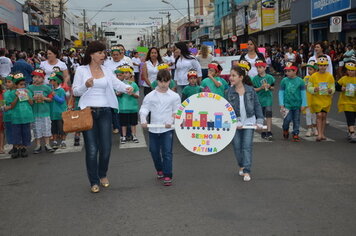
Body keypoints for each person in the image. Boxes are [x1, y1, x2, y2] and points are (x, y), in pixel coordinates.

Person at [72, 41, 133, 193]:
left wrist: (127, 88)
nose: (103, 55)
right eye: (100, 52)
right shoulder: (81, 70)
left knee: (106, 148)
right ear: (91, 54)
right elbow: (75, 92)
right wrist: (85, 85)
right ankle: (93, 180)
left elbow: (117, 84)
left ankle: (102, 174)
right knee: (92, 149)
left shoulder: (106, 70)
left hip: (105, 111)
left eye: (103, 53)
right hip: (88, 112)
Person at [139, 69, 181, 186]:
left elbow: (177, 111)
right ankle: (160, 169)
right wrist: (143, 118)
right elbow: (144, 108)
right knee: (154, 151)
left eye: (166, 82)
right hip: (153, 129)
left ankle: (168, 175)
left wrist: (171, 120)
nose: (163, 84)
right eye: (161, 81)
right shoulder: (150, 95)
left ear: (170, 81)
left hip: (167, 129)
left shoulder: (174, 96)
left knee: (167, 152)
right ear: (157, 81)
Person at [227, 66, 264, 182]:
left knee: (246, 146)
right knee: (237, 146)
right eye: (230, 75)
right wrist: (232, 122)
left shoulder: (250, 90)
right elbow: (225, 109)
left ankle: (247, 170)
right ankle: (242, 165)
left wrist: (259, 120)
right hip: (235, 123)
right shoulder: (228, 92)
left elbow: (257, 105)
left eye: (234, 75)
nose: (231, 78)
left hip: (249, 122)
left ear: (241, 77)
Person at [307, 55, 335, 142]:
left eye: (324, 65)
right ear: (318, 66)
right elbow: (309, 87)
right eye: (320, 65)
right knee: (319, 115)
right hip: (316, 99)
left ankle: (322, 133)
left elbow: (332, 87)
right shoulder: (314, 76)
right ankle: (319, 134)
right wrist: (314, 89)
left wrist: (331, 90)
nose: (322, 67)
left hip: (326, 99)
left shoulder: (329, 76)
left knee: (324, 115)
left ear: (327, 66)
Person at [28, 69, 55, 154]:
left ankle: (47, 144)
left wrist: (44, 98)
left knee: (46, 128)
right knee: (36, 129)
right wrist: (32, 98)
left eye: (39, 77)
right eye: (35, 77)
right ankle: (38, 145)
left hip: (45, 112)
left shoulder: (46, 87)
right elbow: (28, 99)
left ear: (43, 79)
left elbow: (51, 99)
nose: (36, 79)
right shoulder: (29, 88)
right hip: (35, 112)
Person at [279, 62, 307, 142]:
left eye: (289, 71)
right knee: (287, 119)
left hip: (297, 104)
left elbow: (303, 93)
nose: (287, 73)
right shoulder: (284, 80)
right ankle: (285, 128)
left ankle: (295, 133)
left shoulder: (300, 81)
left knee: (296, 119)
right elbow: (281, 92)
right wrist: (281, 104)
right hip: (287, 104)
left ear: (295, 71)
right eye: (286, 71)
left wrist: (304, 104)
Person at [8, 73, 34, 158]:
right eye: (20, 85)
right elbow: (11, 106)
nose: (22, 86)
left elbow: (31, 103)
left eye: (24, 84)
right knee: (16, 133)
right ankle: (16, 147)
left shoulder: (28, 91)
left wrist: (27, 96)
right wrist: (16, 97)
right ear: (15, 85)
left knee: (26, 132)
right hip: (16, 116)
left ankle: (24, 148)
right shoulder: (12, 93)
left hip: (26, 116)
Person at [252, 60, 275, 140]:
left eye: (260, 67)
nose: (258, 69)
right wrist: (260, 88)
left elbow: (273, 88)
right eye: (257, 67)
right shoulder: (255, 78)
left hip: (268, 99)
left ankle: (269, 131)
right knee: (260, 116)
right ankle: (263, 131)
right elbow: (253, 89)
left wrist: (269, 87)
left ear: (265, 68)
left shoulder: (270, 77)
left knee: (268, 115)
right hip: (259, 100)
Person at [116, 64, 140, 144]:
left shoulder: (134, 84)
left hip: (133, 108)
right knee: (123, 124)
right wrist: (121, 92)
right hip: (123, 108)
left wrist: (132, 94)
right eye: (123, 73)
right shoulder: (119, 84)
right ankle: (123, 136)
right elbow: (116, 94)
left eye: (127, 72)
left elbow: (137, 95)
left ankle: (134, 135)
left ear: (130, 74)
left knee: (133, 123)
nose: (125, 74)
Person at [335, 60, 356, 143]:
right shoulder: (344, 79)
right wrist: (341, 88)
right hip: (346, 102)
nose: (350, 72)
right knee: (350, 119)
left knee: (353, 118)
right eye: (349, 70)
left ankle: (350, 131)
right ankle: (352, 133)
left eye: (352, 70)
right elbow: (336, 87)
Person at [49, 73, 67, 149]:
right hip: (52, 113)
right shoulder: (50, 90)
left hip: (60, 112)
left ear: (57, 81)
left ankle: (63, 141)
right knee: (54, 128)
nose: (50, 82)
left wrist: (54, 95)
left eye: (52, 80)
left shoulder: (61, 90)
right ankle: (55, 141)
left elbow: (61, 100)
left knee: (61, 127)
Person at [304, 61, 319, 137]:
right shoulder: (307, 78)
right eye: (308, 69)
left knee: (315, 115)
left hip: (316, 98)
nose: (309, 71)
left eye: (311, 69)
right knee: (308, 114)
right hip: (308, 98)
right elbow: (305, 87)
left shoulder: (318, 77)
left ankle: (315, 127)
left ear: (316, 70)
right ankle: (309, 128)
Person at [3, 74, 15, 154]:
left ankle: (16, 146)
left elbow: (16, 103)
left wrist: (9, 107)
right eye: (6, 82)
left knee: (15, 131)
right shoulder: (5, 93)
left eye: (9, 82)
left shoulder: (16, 92)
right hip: (6, 115)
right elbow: (3, 102)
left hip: (14, 115)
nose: (7, 84)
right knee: (9, 132)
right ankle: (13, 146)